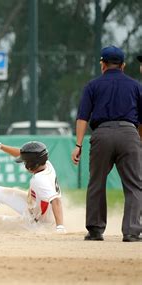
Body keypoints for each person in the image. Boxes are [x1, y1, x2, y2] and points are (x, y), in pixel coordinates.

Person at [71, 45, 142, 242]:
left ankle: (95, 231)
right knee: (134, 185)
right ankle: (131, 232)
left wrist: (78, 145)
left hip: (101, 134)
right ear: (123, 66)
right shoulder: (136, 86)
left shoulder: (93, 86)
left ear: (103, 65)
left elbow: (83, 117)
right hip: (129, 133)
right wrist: (138, 140)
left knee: (96, 183)